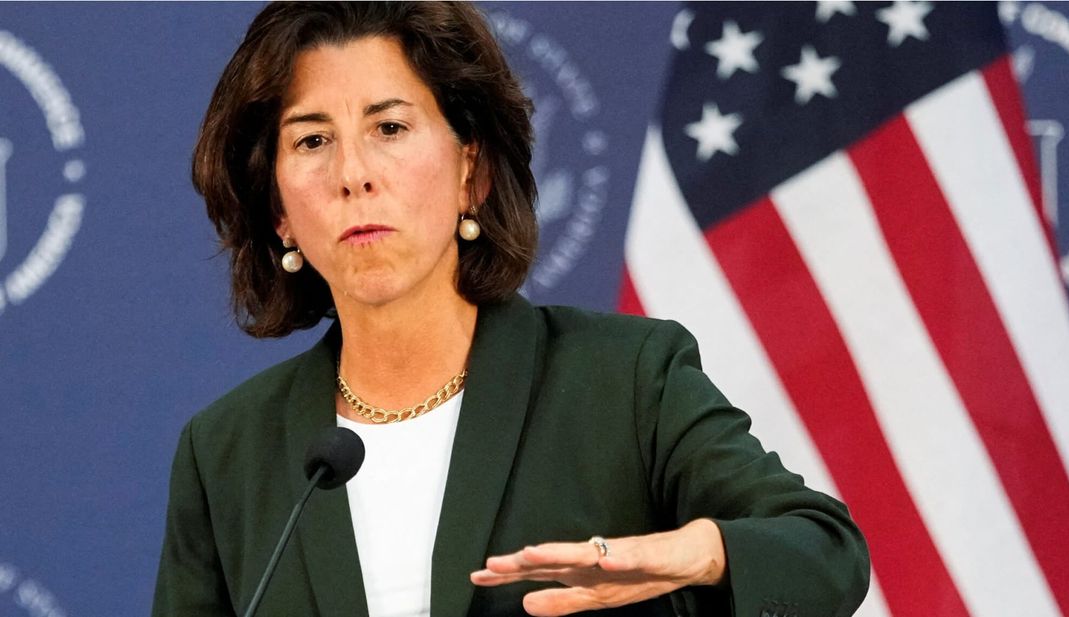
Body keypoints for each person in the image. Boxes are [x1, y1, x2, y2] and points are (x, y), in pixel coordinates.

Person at [152, 3, 869, 616]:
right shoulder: (226, 454)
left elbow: (825, 551)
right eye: (312, 140)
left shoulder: (622, 381)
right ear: (278, 209)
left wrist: (704, 551)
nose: (354, 174)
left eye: (389, 128)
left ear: (472, 171)